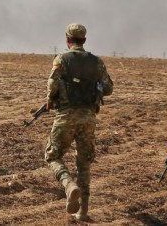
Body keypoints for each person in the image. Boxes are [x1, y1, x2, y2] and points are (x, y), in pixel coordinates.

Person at [44, 23, 113, 220]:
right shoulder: (96, 62)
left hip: (66, 116)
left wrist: (50, 99)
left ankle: (68, 184)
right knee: (84, 163)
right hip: (89, 118)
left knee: (52, 156)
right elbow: (108, 88)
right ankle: (83, 212)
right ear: (84, 39)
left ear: (67, 39)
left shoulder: (62, 59)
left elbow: (53, 83)